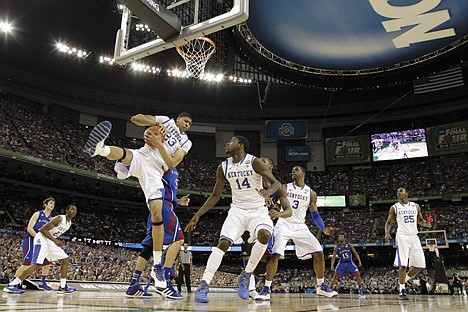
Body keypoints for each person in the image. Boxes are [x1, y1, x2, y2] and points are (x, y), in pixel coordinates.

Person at [83, 112, 192, 289]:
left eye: (190, 123)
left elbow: (171, 163)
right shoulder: (165, 120)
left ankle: (154, 268)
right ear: (178, 118)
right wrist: (154, 123)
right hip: (142, 155)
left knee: (156, 213)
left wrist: (158, 143)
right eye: (185, 121)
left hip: (156, 170)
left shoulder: (187, 142)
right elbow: (135, 119)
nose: (187, 125)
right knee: (125, 154)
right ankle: (99, 149)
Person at [185, 136, 281, 303]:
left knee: (265, 235)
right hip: (236, 211)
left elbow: (276, 183)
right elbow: (215, 195)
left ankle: (246, 274)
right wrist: (198, 214)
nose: (227, 144)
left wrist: (268, 192)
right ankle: (203, 284)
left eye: (231, 141)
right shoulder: (223, 167)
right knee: (223, 244)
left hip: (257, 211)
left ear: (240, 145)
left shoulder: (255, 162)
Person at [255, 165, 338, 300]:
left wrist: (322, 228)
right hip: (284, 223)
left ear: (303, 173)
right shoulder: (284, 187)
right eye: (292, 169)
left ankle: (321, 286)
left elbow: (315, 214)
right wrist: (273, 209)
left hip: (300, 226)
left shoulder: (311, 193)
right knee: (275, 255)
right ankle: (266, 289)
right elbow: (272, 202)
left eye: (297, 169)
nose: (293, 171)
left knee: (319, 252)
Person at [125, 167, 190, 299]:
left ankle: (134, 284)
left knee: (150, 245)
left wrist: (178, 201)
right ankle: (164, 280)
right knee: (179, 239)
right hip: (164, 204)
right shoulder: (162, 161)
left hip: (160, 205)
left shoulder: (173, 165)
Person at [4, 204, 78, 294]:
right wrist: (55, 241)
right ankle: (12, 285)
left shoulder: (69, 224)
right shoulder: (59, 218)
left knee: (65, 259)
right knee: (36, 264)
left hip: (49, 241)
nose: (73, 211)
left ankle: (63, 287)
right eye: (72, 209)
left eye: (75, 210)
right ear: (67, 210)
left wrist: (54, 241)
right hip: (41, 238)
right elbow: (43, 230)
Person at [385, 187, 432, 300]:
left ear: (407, 193)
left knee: (420, 265)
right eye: (397, 192)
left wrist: (426, 224)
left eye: (401, 191)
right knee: (403, 264)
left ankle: (403, 279)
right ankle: (402, 289)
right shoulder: (395, 207)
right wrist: (387, 233)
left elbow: (420, 220)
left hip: (414, 237)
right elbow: (388, 222)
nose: (398, 193)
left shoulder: (415, 206)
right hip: (402, 237)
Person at [5, 197, 55, 293]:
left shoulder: (51, 219)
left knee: (47, 261)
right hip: (31, 239)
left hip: (41, 242)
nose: (52, 205)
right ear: (45, 204)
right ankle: (11, 284)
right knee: (28, 263)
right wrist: (38, 238)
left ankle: (43, 282)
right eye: (51, 203)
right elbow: (29, 228)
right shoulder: (38, 214)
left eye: (53, 204)